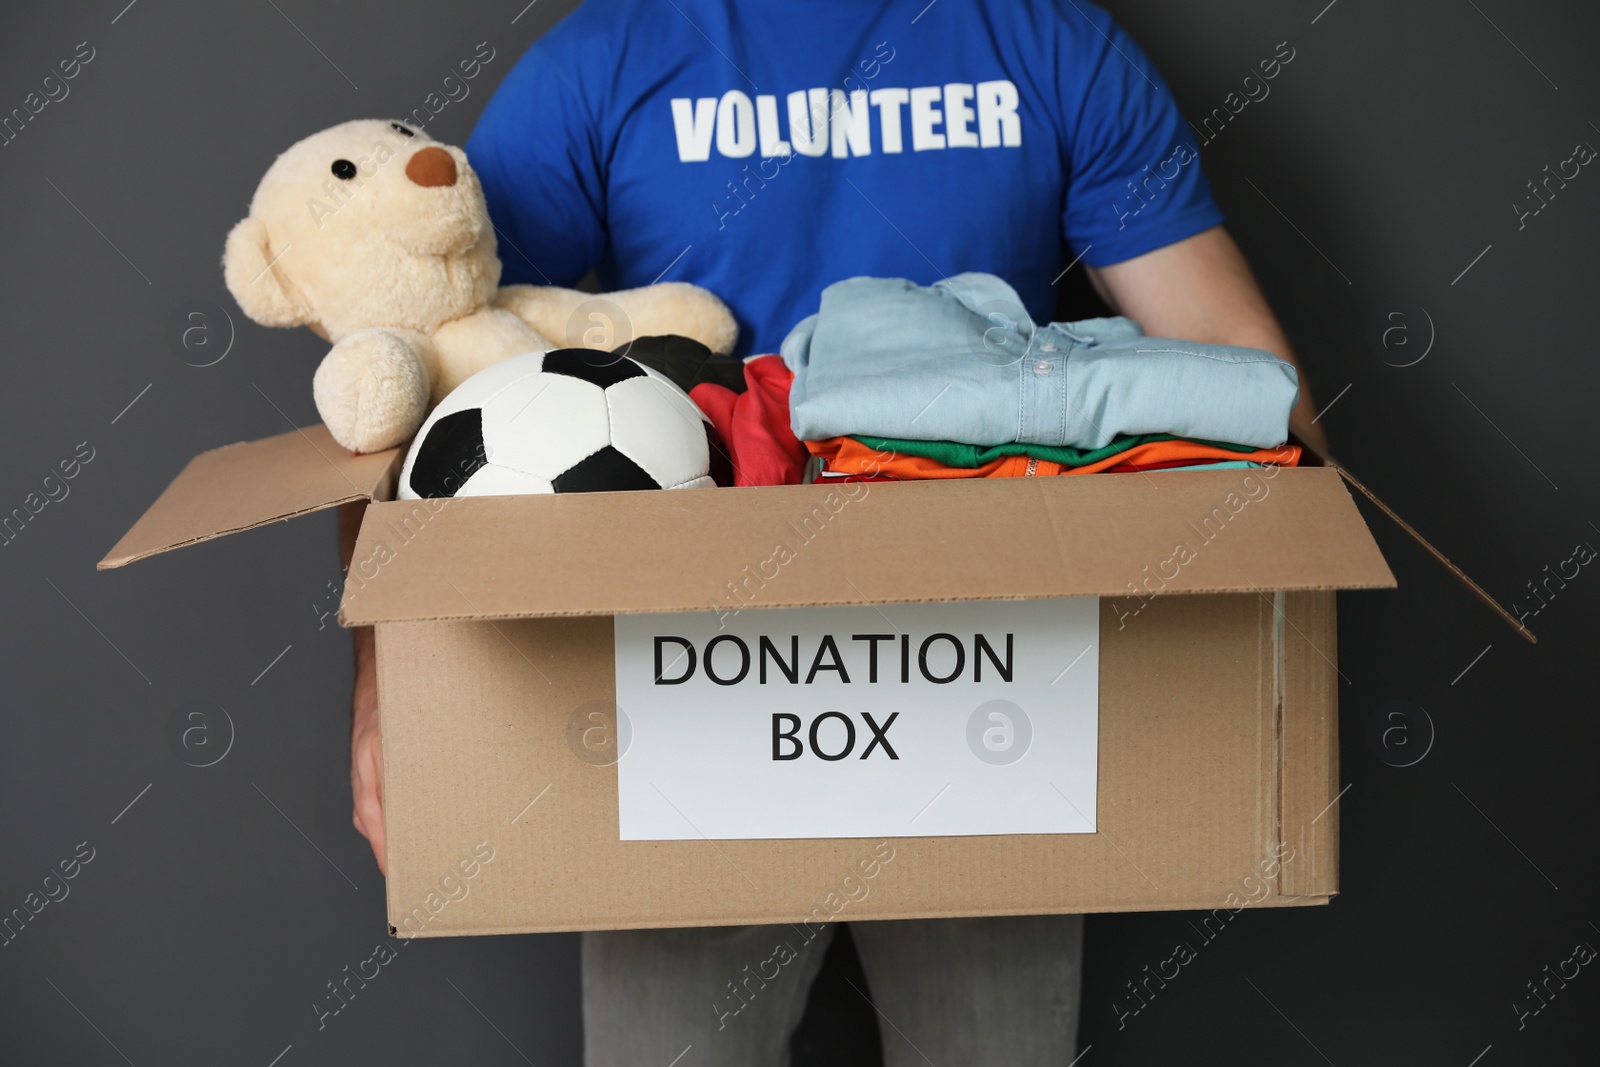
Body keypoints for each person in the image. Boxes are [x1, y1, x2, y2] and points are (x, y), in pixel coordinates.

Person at [346, 1, 1326, 1063]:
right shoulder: (605, 59)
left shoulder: (1048, 43)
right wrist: (385, 681)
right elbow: (426, 365)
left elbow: (1230, 359)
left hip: (987, 684)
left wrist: (1284, 636)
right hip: (688, 695)